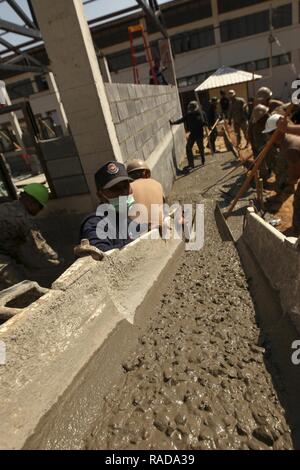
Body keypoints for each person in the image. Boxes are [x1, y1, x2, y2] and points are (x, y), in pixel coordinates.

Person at [0, 183, 60, 290]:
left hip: (4, 253)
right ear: (32, 202)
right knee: (22, 290)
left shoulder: (6, 207)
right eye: (40, 207)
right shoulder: (23, 220)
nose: (40, 211)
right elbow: (40, 250)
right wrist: (60, 263)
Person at [80, 161, 143, 252]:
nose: (123, 193)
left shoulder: (126, 217)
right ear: (101, 195)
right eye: (115, 189)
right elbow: (100, 252)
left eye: (125, 186)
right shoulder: (95, 223)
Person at [263, 114, 300, 234]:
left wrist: (288, 181)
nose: (268, 137)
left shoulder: (289, 147)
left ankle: (296, 232)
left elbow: (295, 175)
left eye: (269, 133)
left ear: (277, 132)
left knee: (298, 202)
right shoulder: (288, 138)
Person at [127, 159, 165, 228]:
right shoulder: (157, 184)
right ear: (145, 173)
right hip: (160, 228)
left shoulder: (128, 189)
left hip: (141, 233)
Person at [170, 100, 207, 168]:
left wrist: (205, 124)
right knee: (188, 148)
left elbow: (206, 122)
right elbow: (181, 120)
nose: (192, 110)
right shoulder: (188, 115)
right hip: (192, 134)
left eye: (192, 108)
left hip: (199, 134)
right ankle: (191, 164)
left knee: (201, 148)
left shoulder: (201, 113)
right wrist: (173, 123)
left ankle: (203, 160)